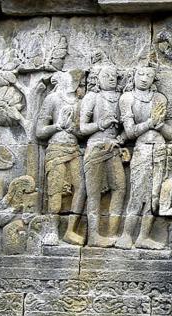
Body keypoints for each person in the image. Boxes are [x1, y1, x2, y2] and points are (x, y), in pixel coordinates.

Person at [115, 67, 172, 250]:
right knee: (137, 194)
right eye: (140, 74)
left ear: (154, 79)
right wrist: (150, 123)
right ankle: (125, 235)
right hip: (141, 149)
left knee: (153, 196)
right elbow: (130, 132)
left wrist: (160, 124)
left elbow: (170, 134)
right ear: (133, 76)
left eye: (149, 75)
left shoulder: (160, 99)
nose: (144, 78)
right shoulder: (127, 98)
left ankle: (143, 237)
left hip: (159, 148)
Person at [36, 71, 86, 245]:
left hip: (73, 148)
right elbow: (39, 131)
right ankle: (51, 230)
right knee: (55, 189)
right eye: (79, 82)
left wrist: (74, 129)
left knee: (82, 188)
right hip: (56, 147)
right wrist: (57, 126)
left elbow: (82, 132)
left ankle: (71, 230)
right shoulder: (53, 100)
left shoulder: (80, 103)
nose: (81, 85)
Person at [79, 65, 126, 248]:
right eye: (106, 75)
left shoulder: (121, 98)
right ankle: (94, 236)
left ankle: (113, 232)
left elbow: (127, 128)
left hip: (113, 148)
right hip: (96, 147)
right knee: (94, 193)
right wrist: (101, 124)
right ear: (97, 79)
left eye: (114, 75)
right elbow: (83, 128)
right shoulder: (93, 97)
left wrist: (121, 139)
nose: (111, 78)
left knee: (120, 188)